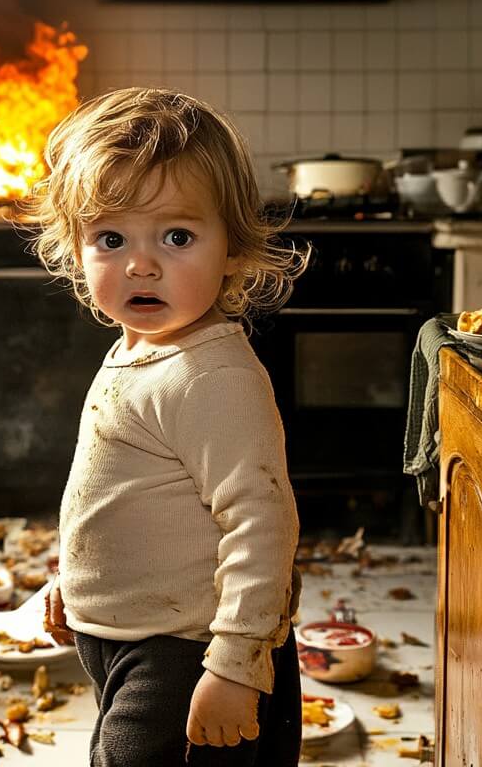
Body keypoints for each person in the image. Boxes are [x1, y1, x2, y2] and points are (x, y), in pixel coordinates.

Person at [22, 87, 308, 766]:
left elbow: (262, 525)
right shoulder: (143, 347)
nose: (141, 264)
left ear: (234, 250)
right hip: (135, 636)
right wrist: (81, 582)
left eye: (177, 237)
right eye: (111, 238)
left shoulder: (212, 376)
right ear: (76, 246)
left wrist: (236, 666)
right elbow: (125, 496)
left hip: (189, 650)